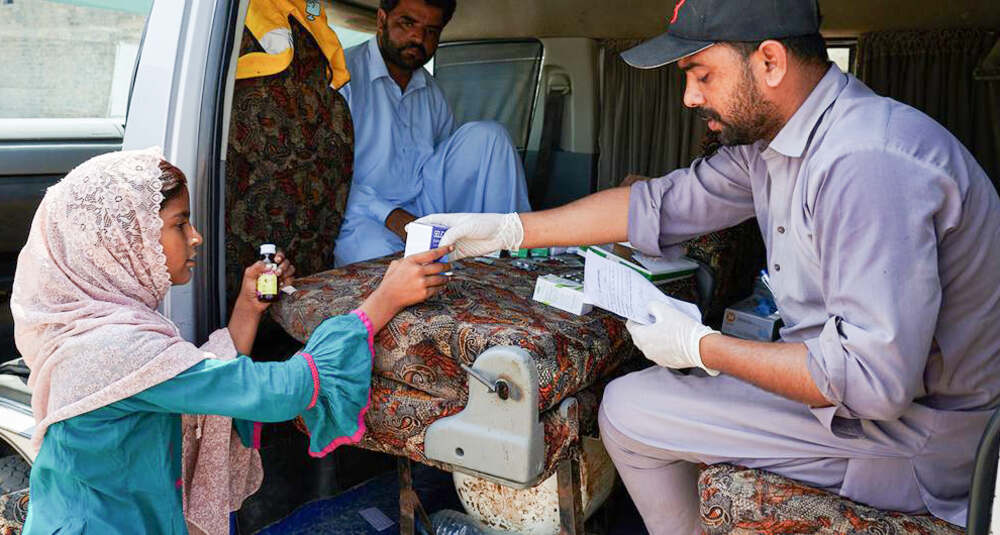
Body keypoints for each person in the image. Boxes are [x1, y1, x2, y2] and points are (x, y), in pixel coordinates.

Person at [415, 0, 1000, 533]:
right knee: (633, 401)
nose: (690, 98)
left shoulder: (865, 161)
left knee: (629, 414)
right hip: (851, 402)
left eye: (702, 74)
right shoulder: (776, 147)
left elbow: (873, 384)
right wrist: (508, 229)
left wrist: (702, 348)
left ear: (769, 61)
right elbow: (656, 205)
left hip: (916, 441)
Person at [11, 148, 452, 534]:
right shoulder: (114, 347)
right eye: (179, 224)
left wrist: (248, 305)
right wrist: (380, 303)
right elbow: (278, 391)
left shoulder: (93, 327)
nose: (195, 237)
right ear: (123, 243)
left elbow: (192, 378)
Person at [332, 0, 531, 267]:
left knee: (490, 137)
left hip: (425, 207)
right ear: (381, 20)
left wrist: (430, 223)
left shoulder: (431, 91)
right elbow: (326, 176)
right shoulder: (342, 76)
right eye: (408, 23)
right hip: (361, 215)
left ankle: (511, 248)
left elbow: (442, 167)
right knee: (384, 262)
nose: (418, 37)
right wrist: (390, 214)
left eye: (431, 31)